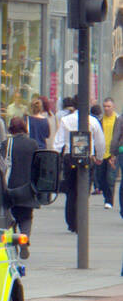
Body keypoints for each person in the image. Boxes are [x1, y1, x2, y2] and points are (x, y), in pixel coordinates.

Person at [52, 97, 105, 234]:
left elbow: (58, 142)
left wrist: (56, 156)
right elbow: (100, 141)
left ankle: (71, 222)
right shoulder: (93, 121)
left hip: (70, 158)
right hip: (88, 157)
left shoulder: (66, 120)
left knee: (71, 191)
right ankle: (81, 220)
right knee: (84, 191)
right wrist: (99, 156)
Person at [4, 117, 39, 260]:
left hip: (10, 187)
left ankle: (14, 245)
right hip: (27, 187)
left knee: (9, 218)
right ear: (24, 128)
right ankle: (24, 239)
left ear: (10, 129)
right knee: (26, 217)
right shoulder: (33, 144)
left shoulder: (6, 144)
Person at [99, 99, 118, 208]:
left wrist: (115, 152)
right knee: (101, 178)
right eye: (105, 106)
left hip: (113, 153)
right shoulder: (101, 120)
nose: (106, 108)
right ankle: (106, 196)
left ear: (113, 107)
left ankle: (109, 200)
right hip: (102, 152)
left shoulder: (117, 119)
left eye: (108, 106)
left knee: (110, 177)